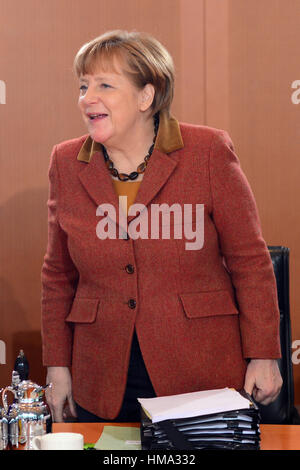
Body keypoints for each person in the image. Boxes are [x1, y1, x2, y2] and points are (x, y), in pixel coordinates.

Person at [42, 30, 282, 423]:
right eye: (83, 86)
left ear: (145, 97)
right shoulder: (66, 161)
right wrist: (57, 365)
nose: (87, 98)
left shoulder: (207, 151)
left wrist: (264, 354)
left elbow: (250, 261)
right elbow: (57, 276)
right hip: (101, 374)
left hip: (199, 371)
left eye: (104, 85)